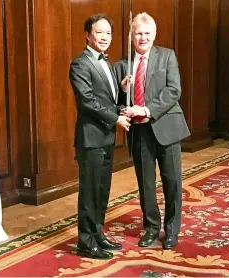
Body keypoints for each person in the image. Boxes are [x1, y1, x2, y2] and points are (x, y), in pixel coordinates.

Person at [113, 12, 190, 250]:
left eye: (147, 33)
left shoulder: (167, 56)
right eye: (138, 33)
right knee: (146, 183)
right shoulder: (122, 64)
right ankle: (151, 228)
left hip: (166, 127)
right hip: (139, 133)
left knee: (172, 182)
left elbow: (173, 90)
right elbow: (115, 102)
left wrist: (146, 110)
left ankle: (172, 230)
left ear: (154, 35)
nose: (143, 37)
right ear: (131, 36)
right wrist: (121, 90)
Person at [69, 13, 131, 260]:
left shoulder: (107, 62)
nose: (105, 37)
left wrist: (121, 92)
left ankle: (97, 233)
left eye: (108, 33)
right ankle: (86, 242)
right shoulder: (80, 63)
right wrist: (115, 118)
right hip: (91, 139)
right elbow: (87, 102)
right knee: (89, 192)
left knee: (102, 190)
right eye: (100, 32)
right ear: (87, 35)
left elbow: (105, 99)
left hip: (105, 138)